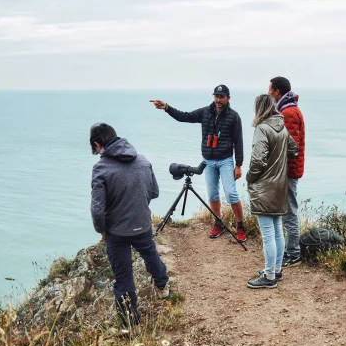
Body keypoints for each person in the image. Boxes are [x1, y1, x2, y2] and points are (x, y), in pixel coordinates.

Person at [89, 123, 170, 330]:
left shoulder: (101, 168)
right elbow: (154, 192)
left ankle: (130, 326)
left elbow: (98, 209)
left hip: (117, 232)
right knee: (151, 255)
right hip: (142, 224)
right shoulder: (143, 161)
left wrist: (102, 230)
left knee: (123, 278)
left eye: (96, 149)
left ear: (98, 145)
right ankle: (162, 285)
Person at [149, 85, 247, 241]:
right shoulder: (205, 112)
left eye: (221, 97)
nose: (218, 100)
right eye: (216, 96)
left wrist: (238, 165)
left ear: (228, 98)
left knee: (231, 193)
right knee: (213, 194)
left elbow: (238, 142)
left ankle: (240, 226)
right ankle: (218, 222)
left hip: (225, 161)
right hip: (208, 161)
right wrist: (166, 108)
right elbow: (184, 116)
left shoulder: (234, 117)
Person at [246, 95, 298, 289]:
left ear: (259, 109)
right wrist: (279, 165)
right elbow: (293, 151)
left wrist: (250, 177)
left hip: (264, 186)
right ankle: (276, 270)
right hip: (280, 185)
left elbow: (258, 160)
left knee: (268, 233)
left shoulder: (262, 129)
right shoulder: (282, 128)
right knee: (277, 229)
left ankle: (268, 276)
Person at [268, 76, 306, 267]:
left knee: (289, 212)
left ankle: (293, 253)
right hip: (289, 170)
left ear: (277, 92)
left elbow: (290, 147)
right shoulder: (287, 109)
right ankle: (290, 250)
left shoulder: (288, 113)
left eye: (270, 90)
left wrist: (278, 170)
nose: (268, 93)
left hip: (288, 171)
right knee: (287, 211)